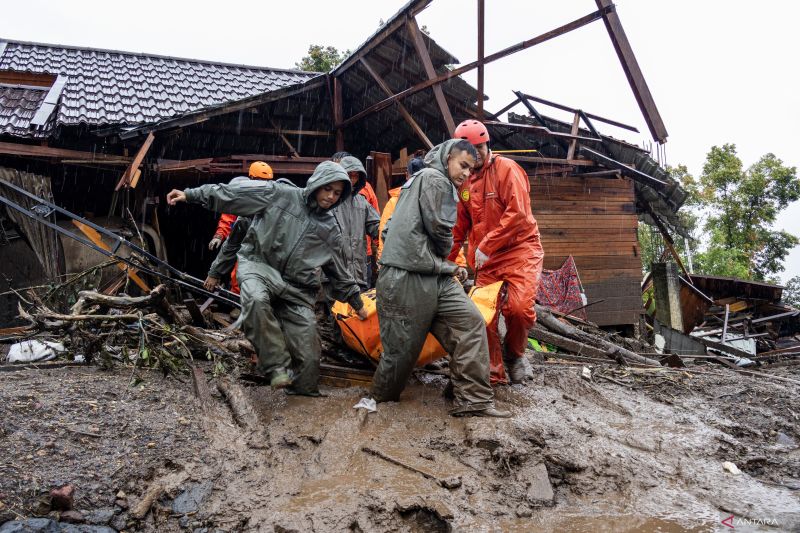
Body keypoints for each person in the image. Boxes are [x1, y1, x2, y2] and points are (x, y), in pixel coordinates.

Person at [166, 162, 368, 395]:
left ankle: (303, 393)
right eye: (327, 189)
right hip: (259, 266)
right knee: (256, 299)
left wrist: (357, 304)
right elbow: (233, 195)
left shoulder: (330, 229)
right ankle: (276, 368)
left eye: (337, 193)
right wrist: (191, 195)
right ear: (317, 183)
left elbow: (339, 271)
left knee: (309, 356)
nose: (331, 196)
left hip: (297, 289)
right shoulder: (280, 194)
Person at [373, 139, 511, 418]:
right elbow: (440, 231)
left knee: (469, 323)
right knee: (401, 353)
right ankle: (378, 401)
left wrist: (444, 266)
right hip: (408, 278)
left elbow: (389, 230)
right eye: (462, 165)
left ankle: (474, 399)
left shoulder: (427, 181)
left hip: (432, 274)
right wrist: (447, 261)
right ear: (447, 157)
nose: (466, 174)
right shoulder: (434, 179)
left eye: (471, 170)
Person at [449, 120, 545, 385]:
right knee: (483, 316)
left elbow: (519, 214)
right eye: (469, 149)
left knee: (519, 310)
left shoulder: (507, 169)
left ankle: (514, 355)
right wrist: (444, 265)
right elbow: (458, 230)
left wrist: (486, 245)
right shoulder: (464, 183)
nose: (476, 154)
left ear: (487, 144)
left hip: (520, 250)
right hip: (486, 260)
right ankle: (494, 372)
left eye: (479, 147)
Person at [206, 161, 274, 294]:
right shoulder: (241, 198)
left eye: (266, 181)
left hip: (268, 249)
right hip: (248, 244)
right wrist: (219, 235)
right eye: (261, 180)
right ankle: (239, 299)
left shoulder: (276, 199)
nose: (264, 184)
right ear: (252, 178)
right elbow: (228, 219)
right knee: (240, 267)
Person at [332, 156, 381, 290]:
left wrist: (394, 226)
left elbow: (377, 227)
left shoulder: (361, 202)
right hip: (335, 275)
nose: (353, 179)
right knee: (336, 310)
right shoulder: (331, 200)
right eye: (349, 175)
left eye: (356, 175)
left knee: (359, 309)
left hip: (359, 272)